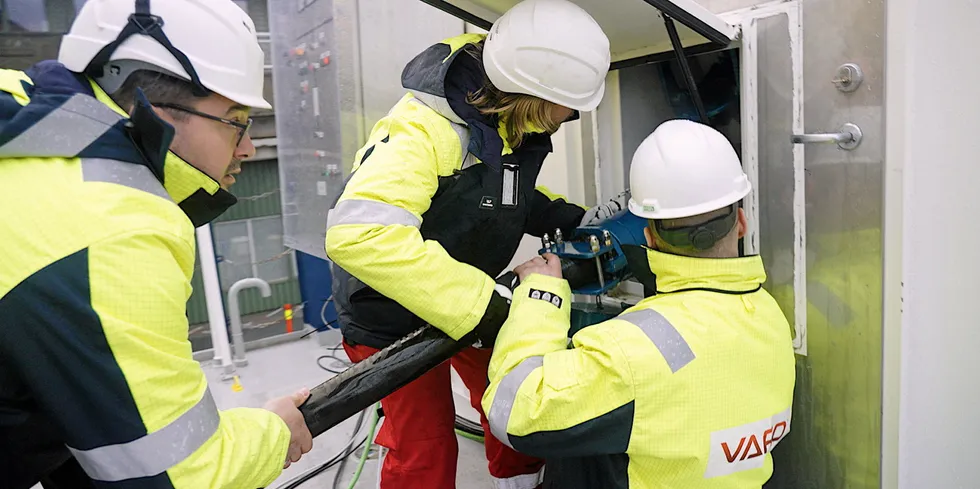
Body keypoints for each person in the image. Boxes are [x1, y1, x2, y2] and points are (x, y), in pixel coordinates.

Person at [0, 1, 312, 488]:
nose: (248, 146)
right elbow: (176, 476)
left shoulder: (28, 123)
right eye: (235, 120)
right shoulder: (115, 225)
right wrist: (274, 430)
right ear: (155, 113)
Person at [324, 1, 623, 487]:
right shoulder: (422, 130)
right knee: (424, 448)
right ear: (534, 92)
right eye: (571, 102)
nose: (573, 115)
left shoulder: (506, 128)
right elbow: (359, 234)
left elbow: (505, 193)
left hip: (465, 298)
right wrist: (485, 304)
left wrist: (573, 219)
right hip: (389, 316)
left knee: (518, 403)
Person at [482, 119, 797, 488]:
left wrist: (541, 299)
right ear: (741, 223)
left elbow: (515, 410)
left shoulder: (632, 349)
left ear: (649, 237)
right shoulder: (771, 317)